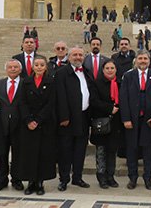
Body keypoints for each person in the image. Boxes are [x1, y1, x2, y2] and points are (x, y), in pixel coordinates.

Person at [119, 50, 151, 190]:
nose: (143, 61)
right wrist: (126, 119)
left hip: (149, 120)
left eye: (145, 58)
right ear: (136, 60)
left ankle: (148, 178)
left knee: (148, 151)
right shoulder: (128, 76)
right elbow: (123, 98)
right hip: (132, 120)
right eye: (140, 58)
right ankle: (132, 178)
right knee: (132, 150)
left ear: (149, 60)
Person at [55, 46, 95, 191]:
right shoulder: (61, 73)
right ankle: (64, 179)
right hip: (68, 119)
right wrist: (64, 117)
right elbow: (60, 97)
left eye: (80, 55)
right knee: (65, 150)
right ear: (69, 56)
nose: (78, 57)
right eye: (75, 55)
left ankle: (77, 177)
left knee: (80, 149)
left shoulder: (87, 72)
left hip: (84, 117)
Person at [15, 55, 57, 195]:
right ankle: (31, 181)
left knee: (43, 154)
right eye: (36, 65)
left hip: (44, 124)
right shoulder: (25, 82)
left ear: (46, 67)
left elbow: (51, 103)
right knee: (29, 154)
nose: (39, 67)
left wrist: (38, 120)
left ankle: (40, 182)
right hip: (28, 125)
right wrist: (28, 120)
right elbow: (22, 102)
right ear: (32, 67)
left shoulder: (51, 82)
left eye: (42, 65)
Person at [0, 59, 25, 192]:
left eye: (15, 67)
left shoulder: (26, 83)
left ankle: (17, 179)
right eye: (10, 67)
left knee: (18, 154)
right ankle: (1, 180)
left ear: (20, 69)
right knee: (0, 153)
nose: (13, 69)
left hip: (19, 125)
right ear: (6, 70)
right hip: (1, 125)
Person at [89, 60, 123, 189]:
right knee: (101, 151)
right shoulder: (96, 83)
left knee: (112, 151)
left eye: (112, 68)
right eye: (107, 68)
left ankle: (110, 176)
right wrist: (110, 108)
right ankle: (101, 176)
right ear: (103, 70)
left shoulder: (120, 83)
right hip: (101, 122)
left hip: (115, 123)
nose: (110, 70)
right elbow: (94, 101)